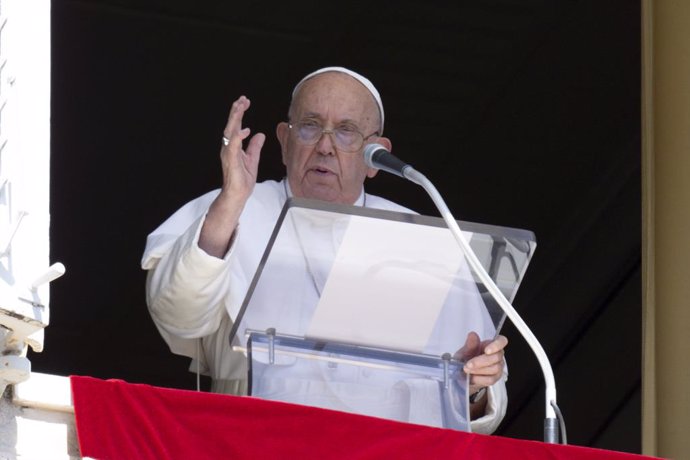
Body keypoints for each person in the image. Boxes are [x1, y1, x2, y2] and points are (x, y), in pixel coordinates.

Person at [142, 66, 508, 434]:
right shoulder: (235, 208)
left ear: (375, 155)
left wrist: (474, 385)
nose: (325, 146)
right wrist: (231, 201)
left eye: (346, 131)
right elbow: (178, 315)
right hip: (255, 443)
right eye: (310, 126)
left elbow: (480, 401)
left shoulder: (421, 238)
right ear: (284, 141)